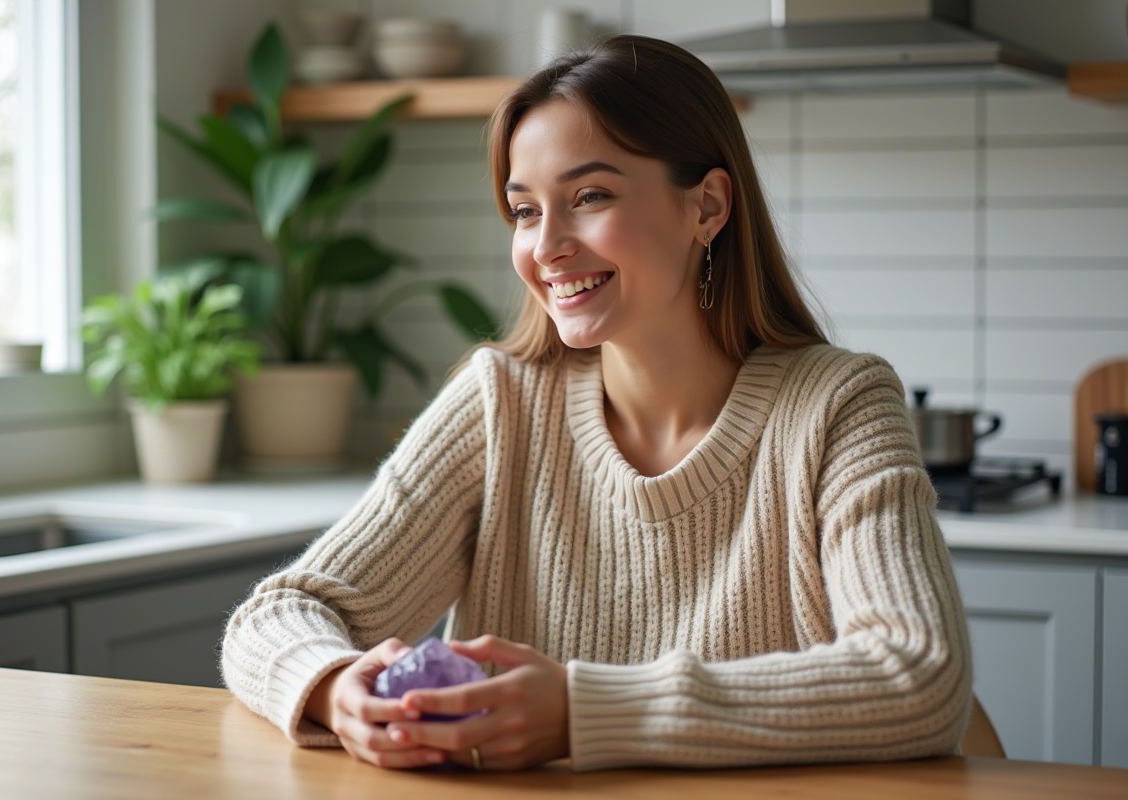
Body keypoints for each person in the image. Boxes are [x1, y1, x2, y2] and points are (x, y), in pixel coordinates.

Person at [221, 34, 972, 773]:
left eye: (589, 197)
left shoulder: (839, 405)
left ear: (706, 206)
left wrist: (584, 713)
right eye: (524, 210)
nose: (546, 247)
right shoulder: (500, 404)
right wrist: (329, 686)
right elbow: (277, 614)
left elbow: (919, 674)